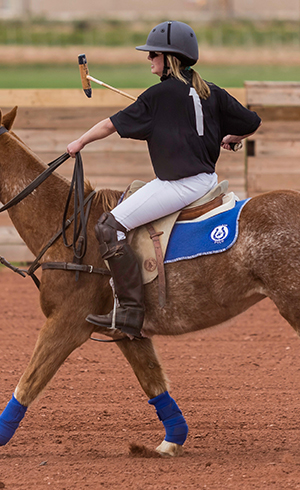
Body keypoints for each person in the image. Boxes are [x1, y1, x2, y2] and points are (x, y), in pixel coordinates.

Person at [66, 20, 261, 340]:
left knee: (108, 226)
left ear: (168, 58)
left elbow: (109, 125)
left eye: (152, 54)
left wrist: (79, 143)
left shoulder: (157, 96)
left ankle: (129, 310)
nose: (148, 60)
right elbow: (253, 121)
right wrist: (232, 136)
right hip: (206, 180)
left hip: (179, 185)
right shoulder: (210, 91)